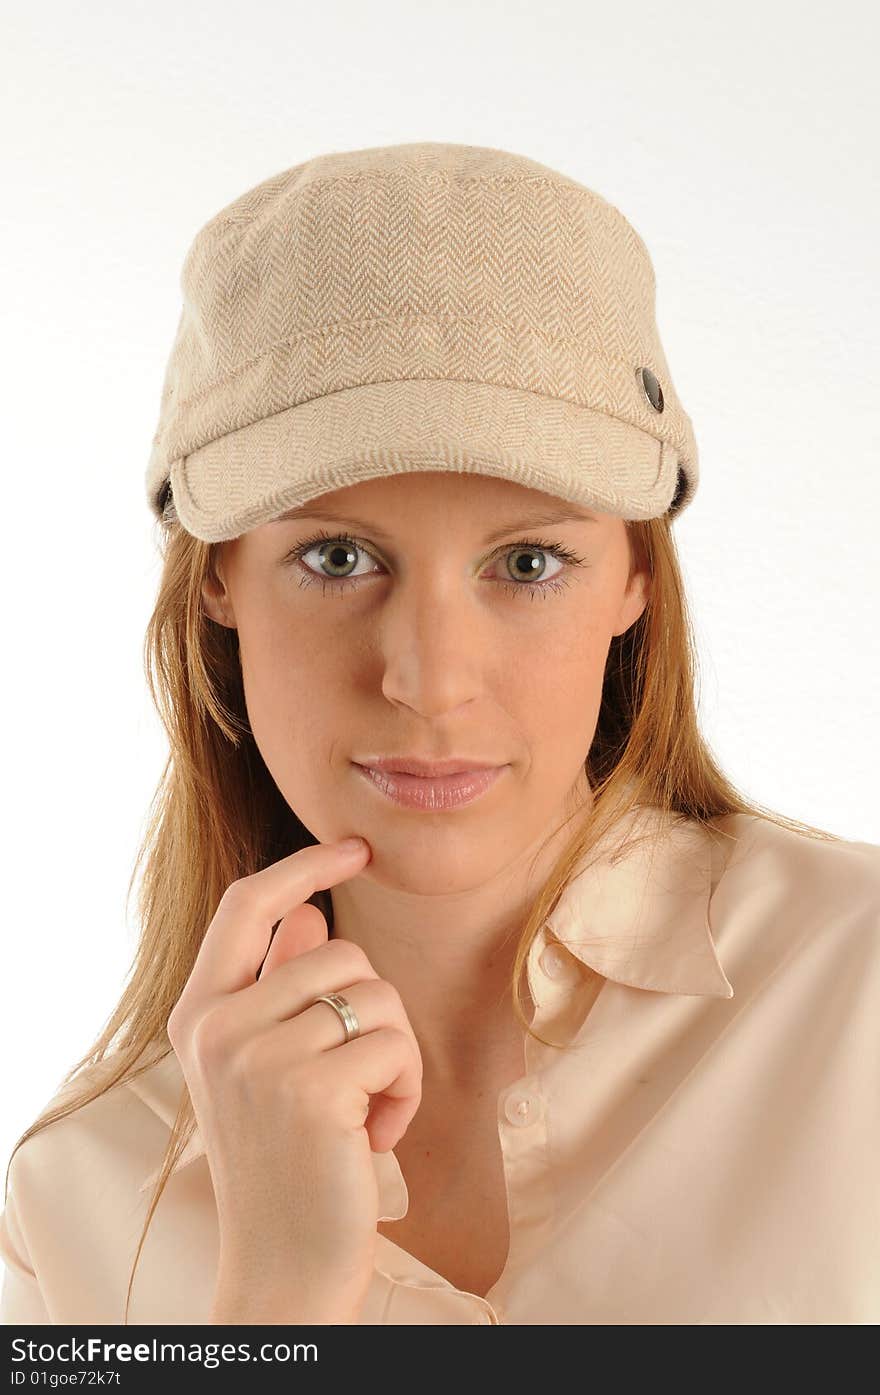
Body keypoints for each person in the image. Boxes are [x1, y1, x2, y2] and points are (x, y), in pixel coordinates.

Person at [1, 141, 878, 1327]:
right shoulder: (73, 1204)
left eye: (527, 563)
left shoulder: (853, 991)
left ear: (635, 585)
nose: (426, 681)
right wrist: (278, 1301)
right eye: (336, 556)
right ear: (216, 582)